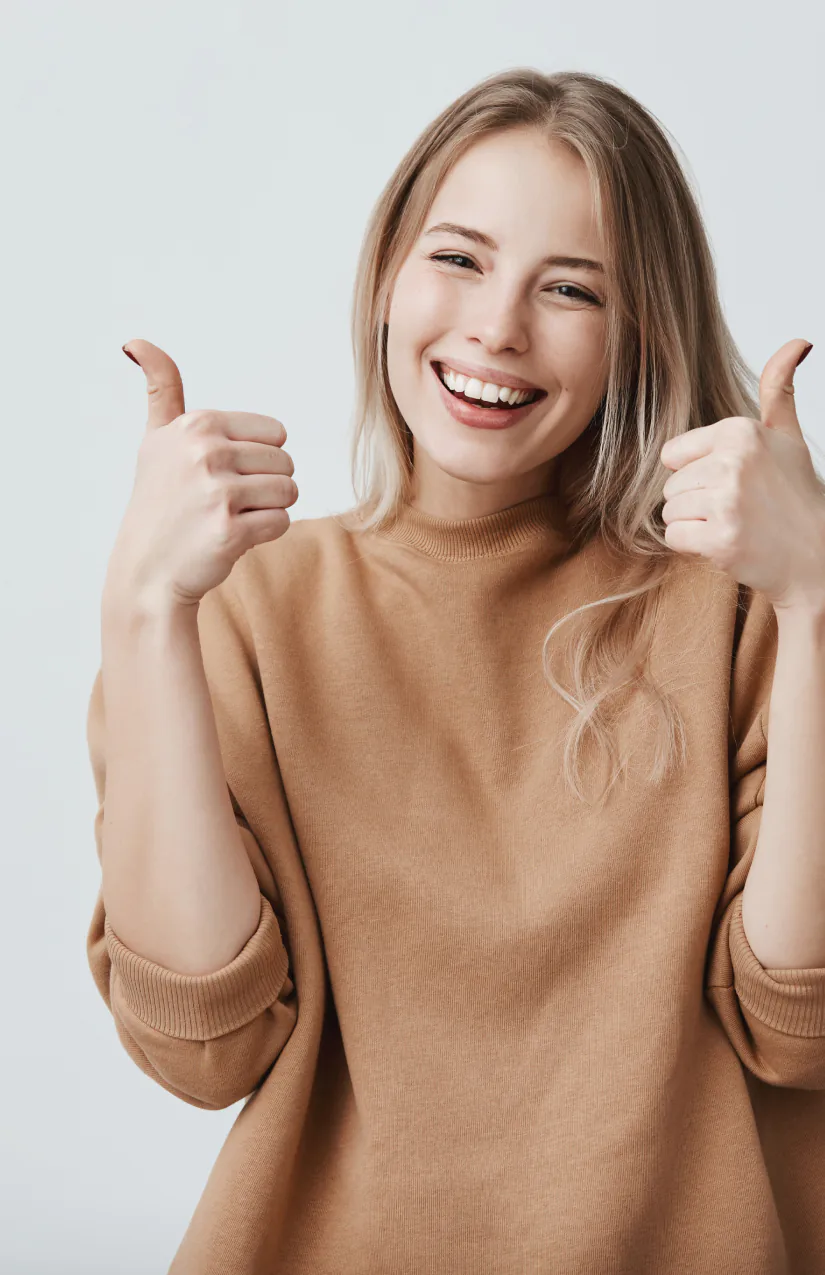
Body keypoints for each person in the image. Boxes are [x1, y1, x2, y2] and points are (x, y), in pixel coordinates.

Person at [85, 67, 825, 1274]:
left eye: (572, 287)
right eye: (460, 258)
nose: (496, 327)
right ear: (387, 277)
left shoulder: (734, 605)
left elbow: (801, 1025)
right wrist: (143, 610)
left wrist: (818, 603)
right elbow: (202, 1048)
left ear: (639, 327)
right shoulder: (251, 607)